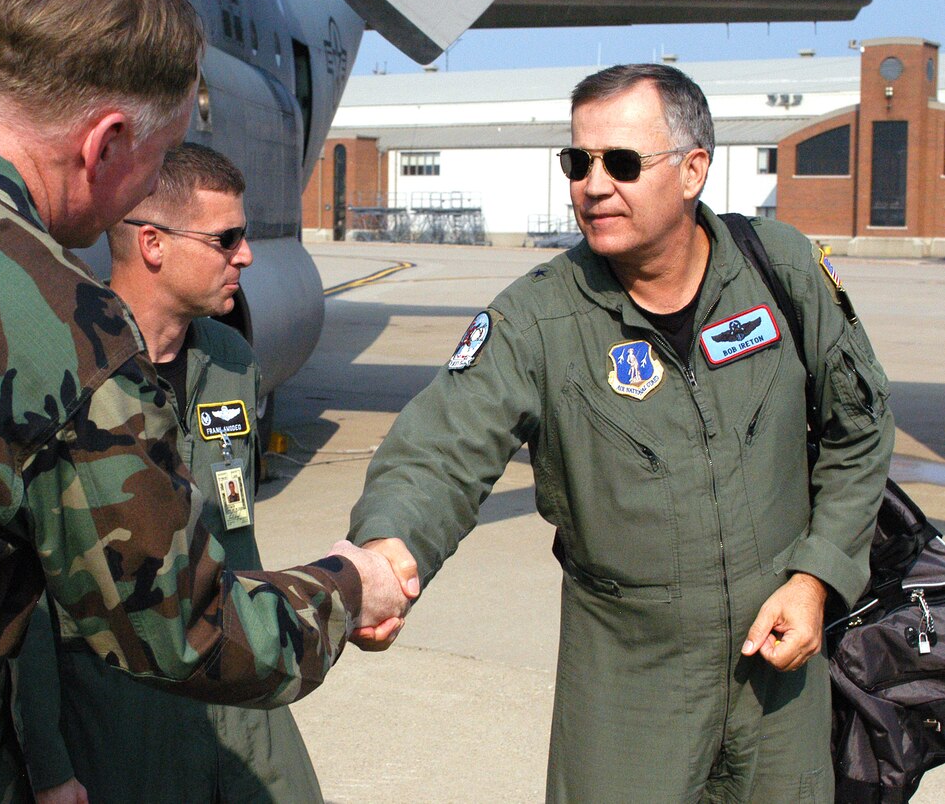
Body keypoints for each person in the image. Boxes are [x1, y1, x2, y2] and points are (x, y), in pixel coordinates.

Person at [348, 63, 894, 802]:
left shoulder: (783, 272)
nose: (592, 185)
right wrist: (388, 546)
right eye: (578, 162)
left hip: (780, 672)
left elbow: (858, 429)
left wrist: (816, 577)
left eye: (622, 163)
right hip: (627, 683)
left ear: (693, 168)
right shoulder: (536, 320)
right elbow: (439, 450)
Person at [0, 0, 410, 800]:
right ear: (107, 141)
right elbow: (182, 628)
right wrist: (350, 587)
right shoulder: (55, 327)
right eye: (159, 155)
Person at [13, 143, 325, 804]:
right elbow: (28, 594)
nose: (245, 255)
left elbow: (236, 525)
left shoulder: (233, 359)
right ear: (153, 243)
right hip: (118, 696)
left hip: (233, 671)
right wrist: (47, 759)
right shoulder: (66, 368)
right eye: (226, 239)